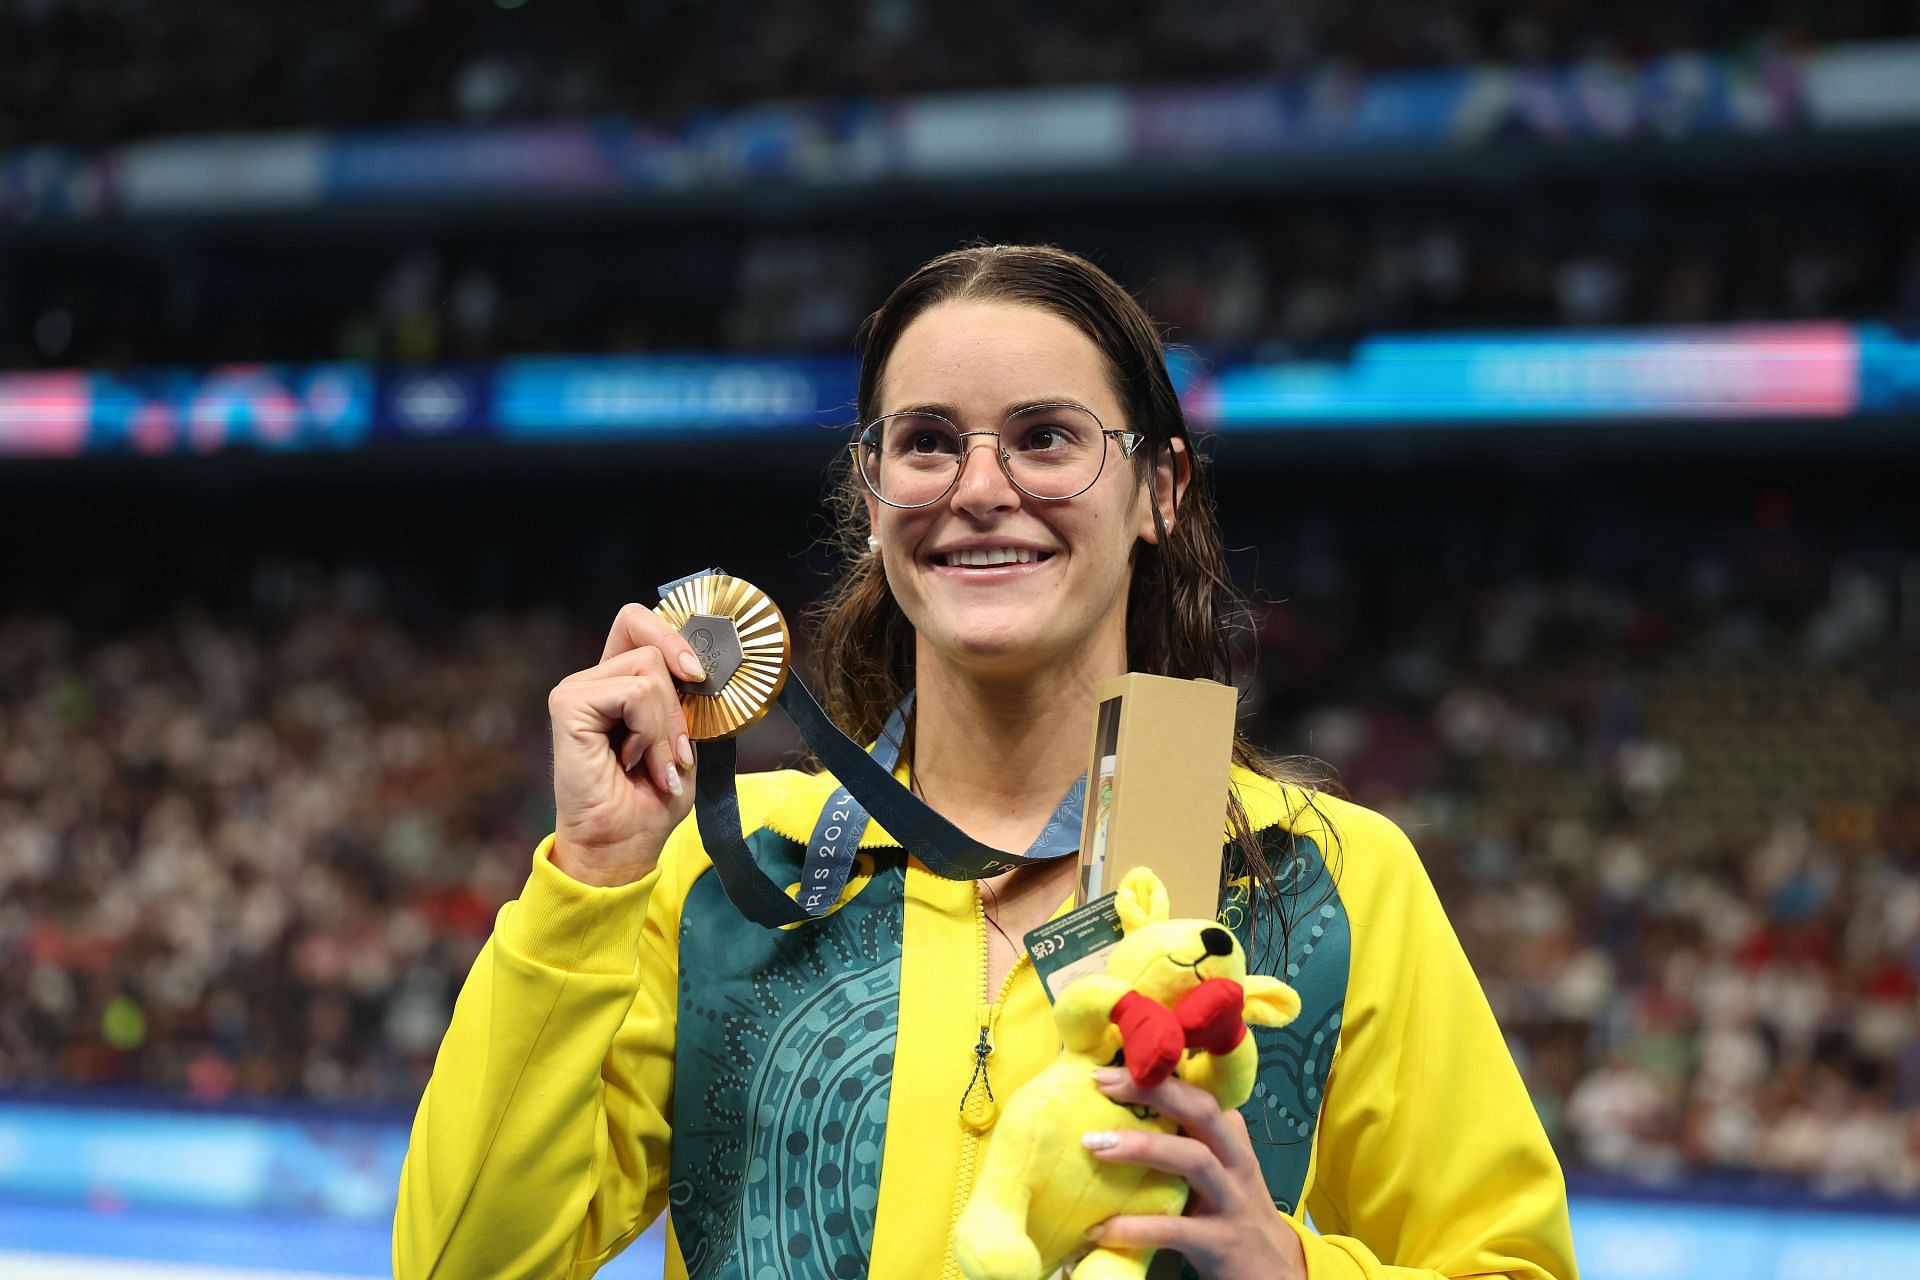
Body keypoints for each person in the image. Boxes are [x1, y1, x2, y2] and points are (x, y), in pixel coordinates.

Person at [393, 245, 1578, 1279]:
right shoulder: (728, 865)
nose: (979, 489)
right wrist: (591, 876)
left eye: (1046, 437)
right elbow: (463, 1263)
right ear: (872, 492)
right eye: (925, 443)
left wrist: (1302, 1274)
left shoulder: (1320, 875)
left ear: (1158, 487)